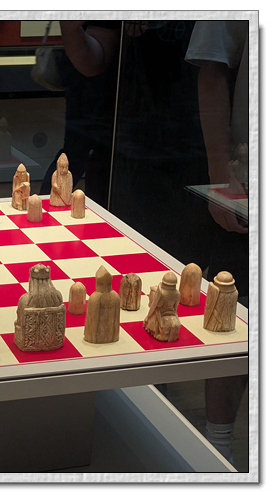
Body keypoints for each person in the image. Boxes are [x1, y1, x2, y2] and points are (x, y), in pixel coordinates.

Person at [185, 20, 249, 465]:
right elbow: (211, 69)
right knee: (232, 313)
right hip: (251, 177)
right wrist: (221, 175)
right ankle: (218, 450)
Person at [39, 20, 121, 209]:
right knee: (78, 155)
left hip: (98, 89)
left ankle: (45, 206)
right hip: (94, 90)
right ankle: (44, 207)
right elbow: (92, 58)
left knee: (79, 154)